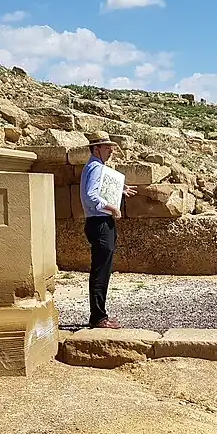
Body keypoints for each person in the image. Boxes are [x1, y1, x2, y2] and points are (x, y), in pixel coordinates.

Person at [80, 131, 137, 329]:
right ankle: (98, 317)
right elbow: (91, 197)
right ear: (96, 148)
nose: (111, 150)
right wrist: (112, 207)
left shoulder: (97, 167)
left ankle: (99, 314)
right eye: (107, 147)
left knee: (102, 269)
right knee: (100, 271)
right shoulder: (95, 168)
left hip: (100, 222)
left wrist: (119, 191)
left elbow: (97, 191)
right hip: (100, 223)